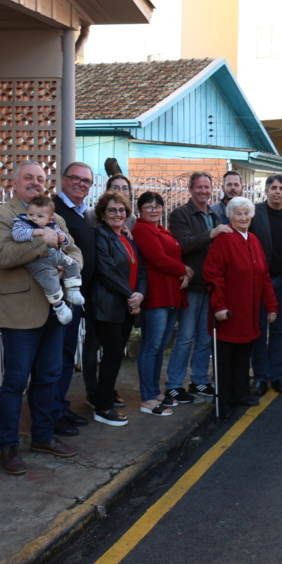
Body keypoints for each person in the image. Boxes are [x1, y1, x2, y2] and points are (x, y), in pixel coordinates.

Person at [0, 161, 81, 474]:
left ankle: (42, 436)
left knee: (48, 378)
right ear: (14, 183)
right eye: (29, 178)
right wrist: (43, 243)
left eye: (40, 179)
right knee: (14, 383)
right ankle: (8, 448)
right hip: (18, 314)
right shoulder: (1, 215)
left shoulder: (55, 217)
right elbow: (2, 255)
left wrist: (66, 264)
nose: (36, 183)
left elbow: (75, 250)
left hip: (54, 311)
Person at [204, 197, 278, 418]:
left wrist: (272, 305)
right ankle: (225, 402)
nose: (244, 217)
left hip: (249, 312)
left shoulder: (254, 239)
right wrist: (218, 306)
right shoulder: (224, 240)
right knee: (225, 360)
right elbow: (212, 274)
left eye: (247, 213)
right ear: (230, 217)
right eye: (239, 214)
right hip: (228, 312)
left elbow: (264, 275)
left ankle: (241, 394)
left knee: (242, 357)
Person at [164, 172, 229, 404]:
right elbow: (184, 245)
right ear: (191, 189)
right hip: (192, 286)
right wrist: (212, 234)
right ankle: (173, 385)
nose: (203, 191)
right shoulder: (180, 214)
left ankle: (199, 379)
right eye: (199, 187)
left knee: (205, 337)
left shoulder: (216, 215)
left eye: (207, 187)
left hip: (212, 287)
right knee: (186, 337)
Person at [131, 191, 193, 416]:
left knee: (160, 346)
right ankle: (147, 397)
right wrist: (185, 270)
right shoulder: (141, 230)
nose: (154, 209)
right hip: (156, 298)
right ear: (140, 209)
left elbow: (175, 257)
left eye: (157, 206)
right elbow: (158, 259)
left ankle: (155, 391)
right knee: (151, 346)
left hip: (171, 295)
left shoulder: (162, 230)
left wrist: (183, 272)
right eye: (148, 206)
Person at [88, 191, 147, 426]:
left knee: (115, 356)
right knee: (112, 355)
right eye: (112, 210)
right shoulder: (99, 235)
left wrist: (140, 294)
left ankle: (105, 399)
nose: (118, 214)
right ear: (103, 213)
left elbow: (140, 269)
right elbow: (106, 270)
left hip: (125, 306)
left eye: (122, 210)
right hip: (107, 307)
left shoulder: (127, 237)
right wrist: (131, 295)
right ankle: (103, 408)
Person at [52, 161, 96, 436]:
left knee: (68, 355)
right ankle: (51, 413)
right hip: (60, 297)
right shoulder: (55, 210)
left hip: (76, 296)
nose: (81, 184)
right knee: (56, 358)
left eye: (86, 181)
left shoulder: (81, 213)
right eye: (76, 179)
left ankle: (59, 406)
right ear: (64, 180)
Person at [249, 174, 282, 395]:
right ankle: (261, 377)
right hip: (258, 281)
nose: (277, 192)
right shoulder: (254, 213)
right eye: (274, 188)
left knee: (280, 330)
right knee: (259, 330)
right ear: (267, 190)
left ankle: (277, 375)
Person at [10, 195, 83, 324]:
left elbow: (68, 244)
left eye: (39, 216)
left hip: (57, 256)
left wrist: (62, 238)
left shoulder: (53, 224)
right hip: (39, 262)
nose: (33, 218)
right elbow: (16, 235)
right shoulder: (23, 223)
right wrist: (34, 233)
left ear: (50, 218)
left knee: (72, 263)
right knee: (50, 280)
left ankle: (73, 290)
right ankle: (59, 306)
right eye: (31, 214)